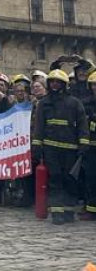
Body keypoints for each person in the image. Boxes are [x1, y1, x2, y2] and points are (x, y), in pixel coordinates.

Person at [32, 68, 89, 224]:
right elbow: (39, 126)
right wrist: (37, 145)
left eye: (58, 82)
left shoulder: (74, 103)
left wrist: (84, 143)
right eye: (52, 82)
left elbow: (82, 124)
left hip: (71, 149)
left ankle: (69, 212)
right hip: (50, 148)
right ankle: (57, 212)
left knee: (69, 180)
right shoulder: (44, 103)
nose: (55, 84)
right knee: (55, 180)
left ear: (64, 84)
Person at [81, 71, 96, 221]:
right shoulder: (87, 103)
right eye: (94, 85)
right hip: (91, 148)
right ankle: (91, 209)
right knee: (91, 178)